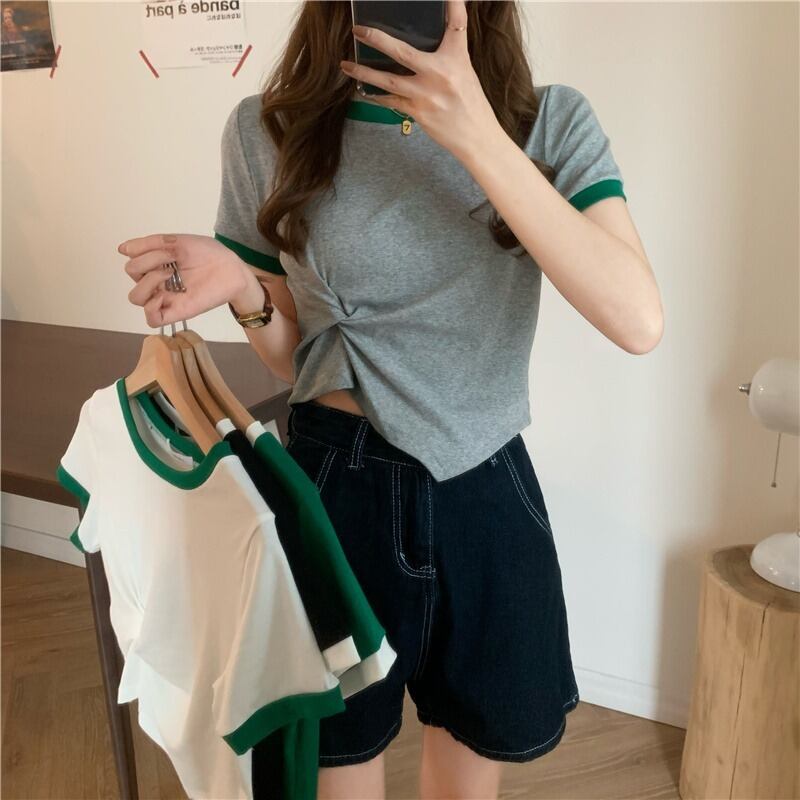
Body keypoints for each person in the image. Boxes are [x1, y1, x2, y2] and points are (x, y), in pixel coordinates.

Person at [119, 1, 663, 797]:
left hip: (483, 488)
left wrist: (476, 132)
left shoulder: (546, 123)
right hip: (334, 491)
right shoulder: (267, 131)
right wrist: (244, 288)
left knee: (466, 773)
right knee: (338, 766)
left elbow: (637, 320)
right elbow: (297, 361)